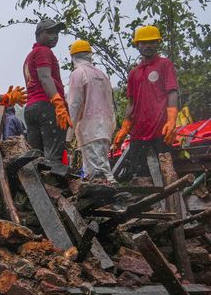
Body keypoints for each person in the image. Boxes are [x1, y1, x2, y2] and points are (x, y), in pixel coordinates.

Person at [112, 25, 179, 177]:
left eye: (152, 42)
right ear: (137, 45)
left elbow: (172, 92)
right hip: (139, 133)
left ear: (157, 43)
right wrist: (124, 128)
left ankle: (170, 200)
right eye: (144, 42)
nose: (148, 45)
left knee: (166, 173)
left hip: (161, 130)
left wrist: (171, 120)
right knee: (140, 175)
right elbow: (131, 104)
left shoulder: (164, 64)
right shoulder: (134, 73)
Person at [23, 19, 72, 166]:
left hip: (31, 109)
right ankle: (53, 186)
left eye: (56, 33)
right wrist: (58, 103)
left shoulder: (30, 55)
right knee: (53, 156)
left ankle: (37, 185)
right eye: (49, 32)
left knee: (36, 155)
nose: (54, 36)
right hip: (46, 106)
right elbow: (45, 78)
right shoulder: (44, 51)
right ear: (38, 35)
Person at [65, 40, 115, 181]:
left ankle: (113, 197)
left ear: (73, 57)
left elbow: (74, 105)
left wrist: (68, 136)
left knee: (97, 172)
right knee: (101, 165)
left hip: (90, 128)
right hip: (105, 127)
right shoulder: (102, 75)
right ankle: (111, 194)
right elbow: (110, 103)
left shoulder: (78, 73)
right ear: (89, 55)